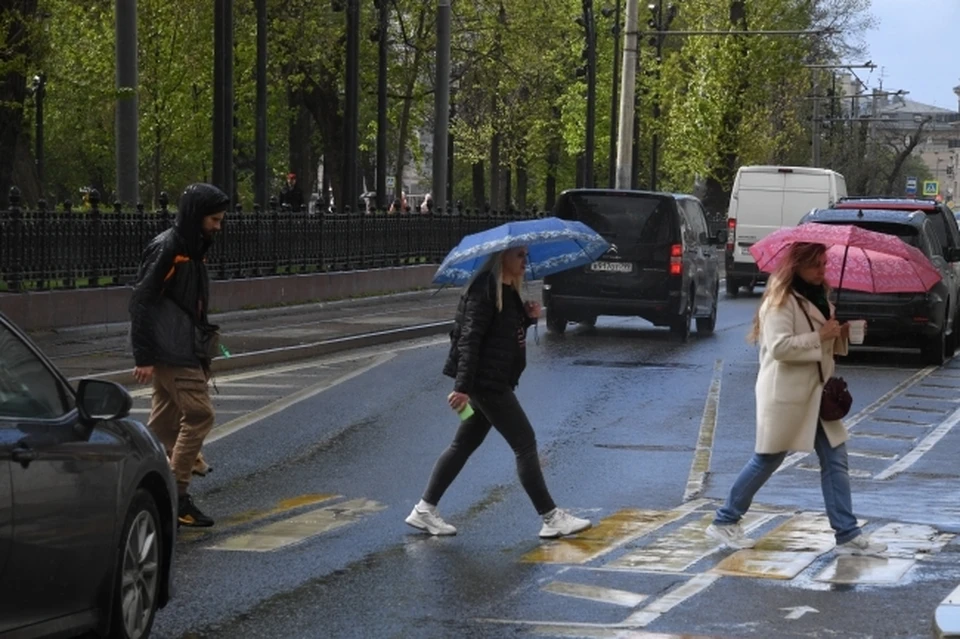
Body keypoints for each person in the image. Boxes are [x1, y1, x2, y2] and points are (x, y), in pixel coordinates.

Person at [705, 242, 887, 556]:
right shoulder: (781, 301)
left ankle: (847, 534)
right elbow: (779, 348)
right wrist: (821, 336)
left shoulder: (819, 298)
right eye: (815, 264)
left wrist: (840, 334)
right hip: (786, 394)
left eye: (824, 263)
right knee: (768, 458)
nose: (822, 270)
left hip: (815, 393)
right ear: (796, 266)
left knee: (835, 459)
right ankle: (724, 521)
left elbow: (821, 344)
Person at [405, 247, 592, 538]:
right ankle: (551, 517)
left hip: (493, 380)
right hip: (487, 383)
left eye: (526, 255)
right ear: (501, 257)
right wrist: (463, 388)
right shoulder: (484, 290)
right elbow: (470, 339)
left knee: (463, 445)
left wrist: (529, 318)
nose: (524, 261)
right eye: (518, 255)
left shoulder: (507, 290)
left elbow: (503, 334)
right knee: (525, 443)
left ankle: (424, 509)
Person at [129, 183, 229, 528]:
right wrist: (143, 355)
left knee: (163, 425)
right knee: (200, 415)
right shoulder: (170, 247)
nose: (218, 226)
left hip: (182, 347)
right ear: (196, 216)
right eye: (214, 219)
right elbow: (141, 299)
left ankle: (138, 485)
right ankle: (176, 495)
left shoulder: (192, 246)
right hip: (173, 350)